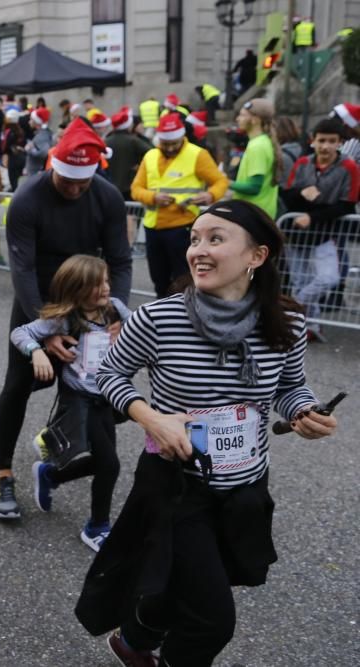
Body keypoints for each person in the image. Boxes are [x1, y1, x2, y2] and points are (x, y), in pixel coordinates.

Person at [77, 199, 337, 667]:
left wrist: (305, 413)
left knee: (187, 583)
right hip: (176, 486)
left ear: (256, 256)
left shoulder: (288, 322)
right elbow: (108, 373)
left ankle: (133, 642)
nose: (199, 249)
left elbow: (291, 386)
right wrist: (150, 416)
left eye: (216, 239)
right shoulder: (159, 318)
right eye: (195, 238)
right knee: (212, 620)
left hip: (245, 485)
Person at [0, 118, 132, 520]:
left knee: (97, 388)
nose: (72, 190)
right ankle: (3, 474)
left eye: (80, 184)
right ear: (52, 165)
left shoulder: (106, 198)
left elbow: (120, 260)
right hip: (39, 300)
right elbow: (21, 268)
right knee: (18, 385)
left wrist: (114, 313)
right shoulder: (28, 199)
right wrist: (46, 330)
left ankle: (56, 436)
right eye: (65, 181)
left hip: (89, 303)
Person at [10, 255, 130, 550]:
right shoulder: (65, 318)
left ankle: (50, 474)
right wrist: (36, 352)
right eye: (95, 284)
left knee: (104, 462)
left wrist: (125, 331)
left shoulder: (115, 309)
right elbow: (20, 332)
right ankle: (97, 527)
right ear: (77, 288)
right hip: (79, 399)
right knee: (110, 464)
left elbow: (143, 328)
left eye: (105, 280)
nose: (104, 288)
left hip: (107, 396)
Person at [131, 113, 229, 298]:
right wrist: (153, 197)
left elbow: (220, 182)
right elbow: (136, 188)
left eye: (174, 143)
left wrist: (209, 195)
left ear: (182, 136)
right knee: (159, 280)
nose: (169, 148)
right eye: (165, 144)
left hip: (182, 227)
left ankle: (186, 315)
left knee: (184, 279)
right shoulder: (150, 155)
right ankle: (162, 313)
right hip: (153, 228)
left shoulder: (198, 154)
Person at [281, 117, 360, 342]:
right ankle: (309, 326)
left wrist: (312, 215)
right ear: (313, 141)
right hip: (296, 235)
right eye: (321, 140)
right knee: (301, 280)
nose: (325, 146)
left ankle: (290, 306)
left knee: (328, 278)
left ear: (340, 143)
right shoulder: (303, 163)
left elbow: (347, 203)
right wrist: (302, 194)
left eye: (331, 141)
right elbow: (287, 194)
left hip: (327, 234)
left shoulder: (349, 167)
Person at [231, 99, 281, 218]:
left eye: (242, 115)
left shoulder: (257, 146)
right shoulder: (263, 142)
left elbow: (254, 187)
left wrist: (224, 181)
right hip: (259, 213)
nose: (238, 119)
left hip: (253, 215)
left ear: (255, 119)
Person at [24, 107, 53, 177]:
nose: (29, 121)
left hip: (36, 174)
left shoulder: (42, 135)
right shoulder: (42, 134)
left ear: (37, 121)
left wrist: (29, 149)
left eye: (31, 119)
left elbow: (44, 153)